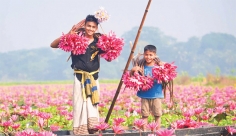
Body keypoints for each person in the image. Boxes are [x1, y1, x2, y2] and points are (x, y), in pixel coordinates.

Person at [50, 15, 104, 135]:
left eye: (93, 27)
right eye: (88, 26)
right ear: (84, 26)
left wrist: (110, 45)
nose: (90, 29)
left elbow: (109, 57)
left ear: (96, 28)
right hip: (79, 78)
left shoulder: (98, 41)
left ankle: (93, 129)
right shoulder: (75, 38)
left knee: (92, 105)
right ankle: (81, 131)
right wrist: (69, 34)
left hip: (94, 79)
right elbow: (53, 45)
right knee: (79, 104)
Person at [131, 45, 164, 131]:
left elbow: (167, 75)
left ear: (155, 55)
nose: (148, 57)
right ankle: (145, 131)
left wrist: (163, 67)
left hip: (156, 94)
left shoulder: (159, 66)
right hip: (144, 95)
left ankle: (157, 131)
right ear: (143, 54)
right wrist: (133, 70)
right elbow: (132, 78)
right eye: (146, 54)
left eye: (151, 55)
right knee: (144, 115)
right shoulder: (140, 66)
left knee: (157, 115)